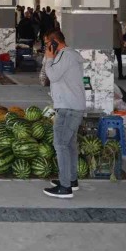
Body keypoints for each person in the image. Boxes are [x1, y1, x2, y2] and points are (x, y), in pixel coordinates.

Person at [42, 29, 86, 199]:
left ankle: (65, 187)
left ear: (54, 42)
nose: (46, 47)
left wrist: (49, 58)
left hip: (68, 108)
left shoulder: (65, 56)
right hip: (72, 106)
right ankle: (71, 180)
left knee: (60, 144)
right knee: (69, 144)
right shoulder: (69, 55)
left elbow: (52, 76)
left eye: (47, 43)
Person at [113, 15, 125, 80]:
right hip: (117, 45)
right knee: (119, 61)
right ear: (116, 17)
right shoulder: (117, 24)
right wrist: (122, 45)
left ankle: (109, 75)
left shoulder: (107, 23)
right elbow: (120, 36)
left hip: (109, 46)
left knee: (110, 61)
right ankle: (120, 75)